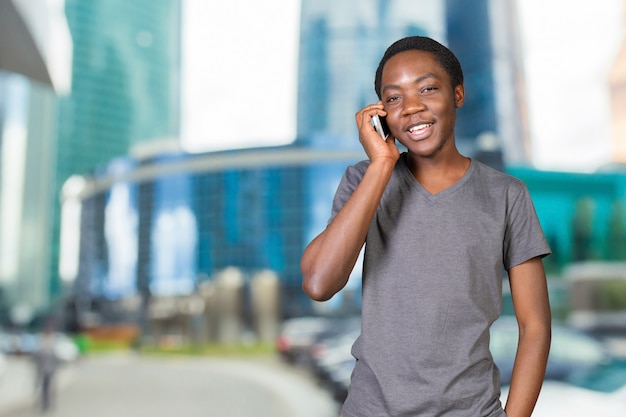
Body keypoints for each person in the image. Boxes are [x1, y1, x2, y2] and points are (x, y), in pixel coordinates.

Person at [301, 36, 551, 417]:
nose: (412, 107)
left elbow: (534, 325)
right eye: (394, 98)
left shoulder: (506, 195)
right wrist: (382, 164)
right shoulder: (363, 180)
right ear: (380, 113)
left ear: (458, 94)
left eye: (428, 89)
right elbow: (320, 283)